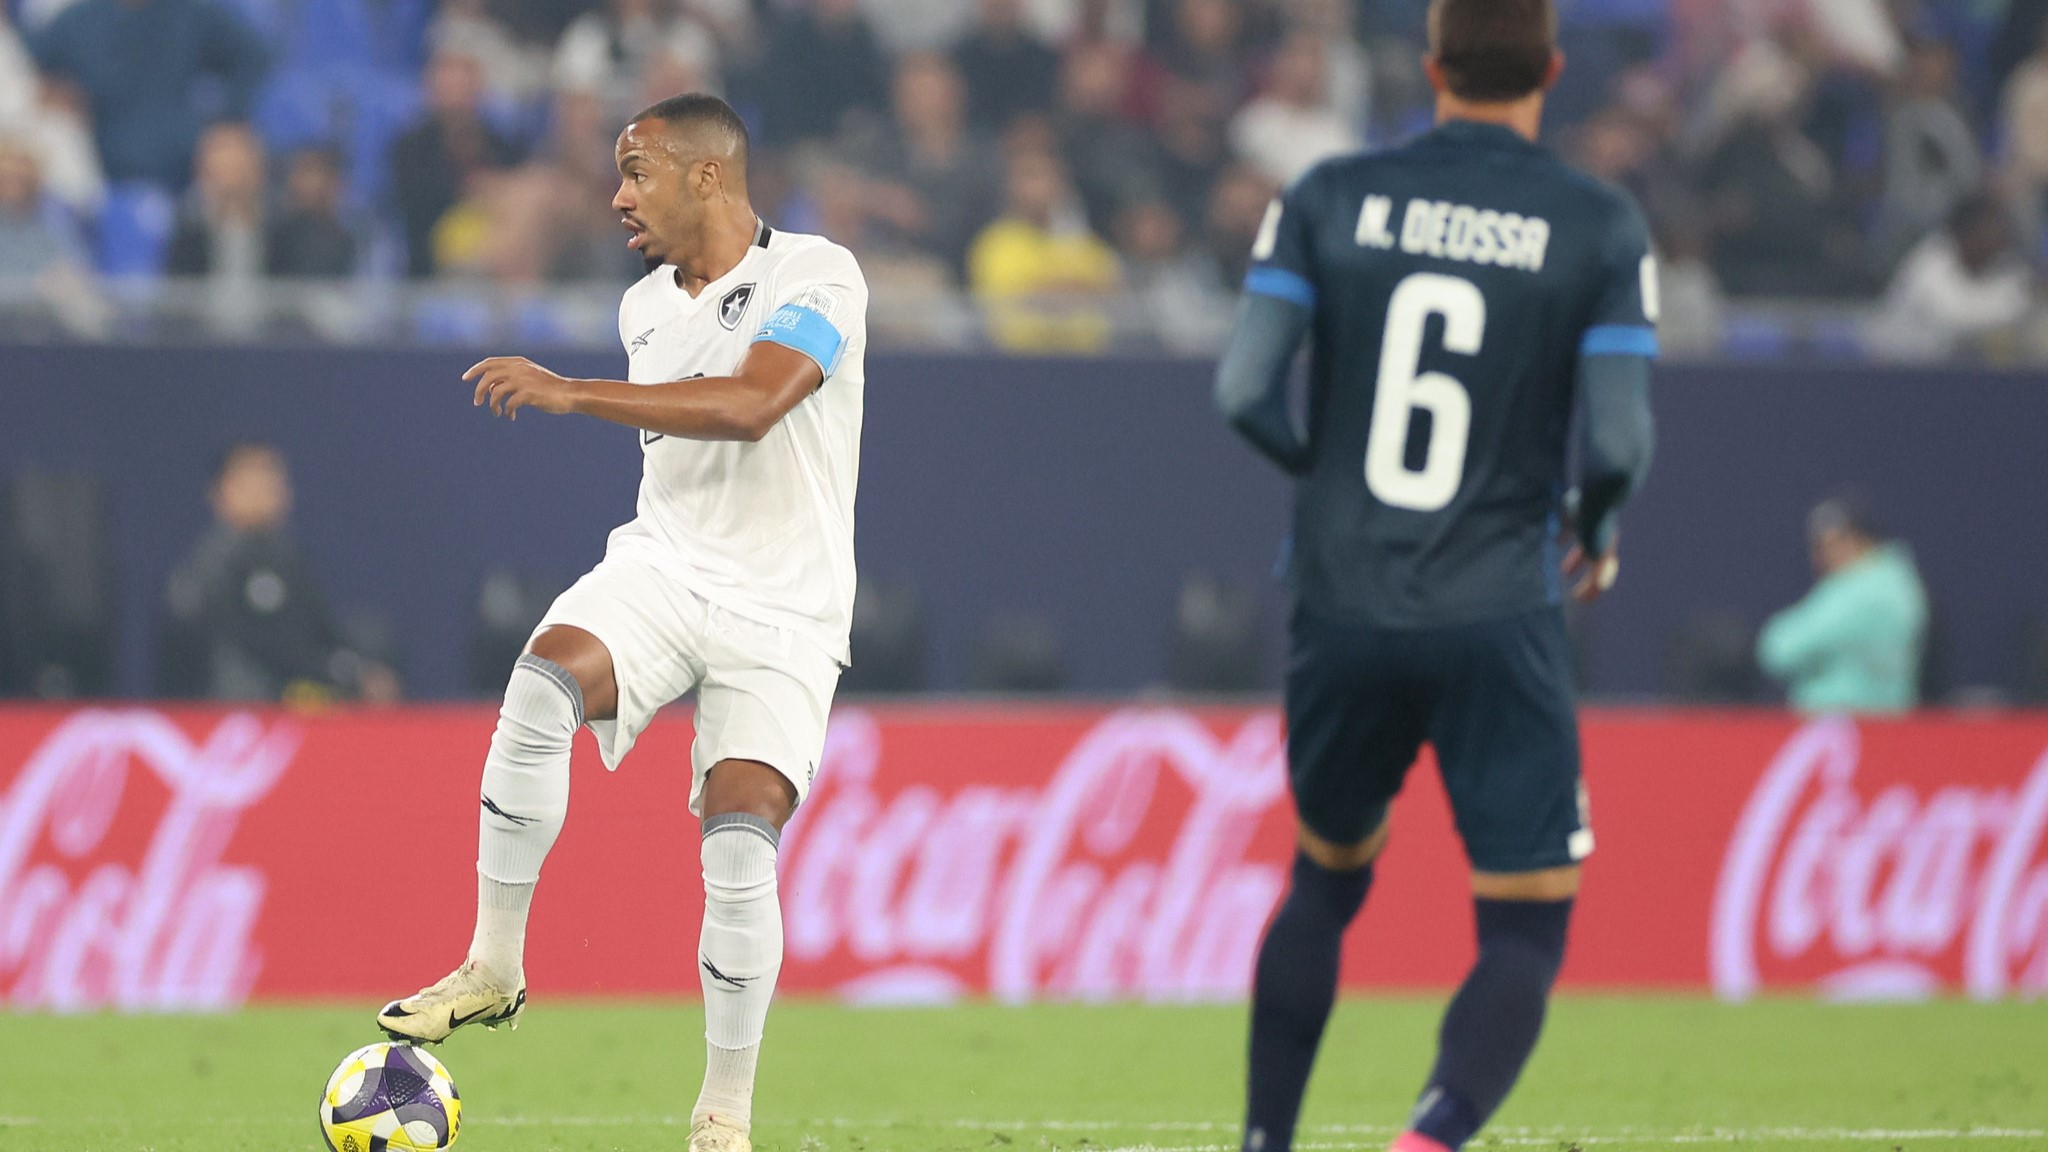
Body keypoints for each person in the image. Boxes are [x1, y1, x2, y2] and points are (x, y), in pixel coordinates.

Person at [375, 94, 869, 1152]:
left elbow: (749, 405)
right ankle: (494, 965)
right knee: (541, 680)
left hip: (785, 606)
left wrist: (567, 394)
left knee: (739, 841)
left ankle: (721, 1120)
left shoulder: (818, 275)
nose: (616, 196)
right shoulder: (644, 308)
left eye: (636, 172)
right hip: (667, 563)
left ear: (706, 176)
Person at [1212, 2, 1657, 1150]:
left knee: (1322, 884)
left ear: (1430, 68)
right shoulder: (1595, 224)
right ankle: (1428, 1138)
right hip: (1498, 605)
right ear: (1551, 70)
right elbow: (1615, 445)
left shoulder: (1327, 196)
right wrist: (1593, 528)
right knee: (1521, 929)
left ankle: (1265, 1141)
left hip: (1341, 595)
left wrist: (1332, 490)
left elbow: (1243, 392)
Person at [161, 442, 399, 704]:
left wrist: (354, 669)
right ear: (221, 491)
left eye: (274, 476)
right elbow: (272, 645)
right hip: (246, 709)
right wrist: (344, 673)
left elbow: (319, 629)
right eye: (253, 478)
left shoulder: (284, 554)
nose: (269, 488)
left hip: (299, 694)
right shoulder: (216, 566)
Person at [26, 0, 267, 189]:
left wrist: (225, 117)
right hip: (101, 166)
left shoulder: (191, 14)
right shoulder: (79, 20)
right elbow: (26, 68)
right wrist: (55, 94)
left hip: (182, 168)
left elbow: (253, 57)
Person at [1757, 496, 1928, 714]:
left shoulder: (1864, 588)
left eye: (1835, 542)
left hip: (1854, 723)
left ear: (1862, 540)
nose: (1823, 556)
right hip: (1880, 722)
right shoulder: (1900, 581)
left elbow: (1779, 650)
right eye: (1819, 546)